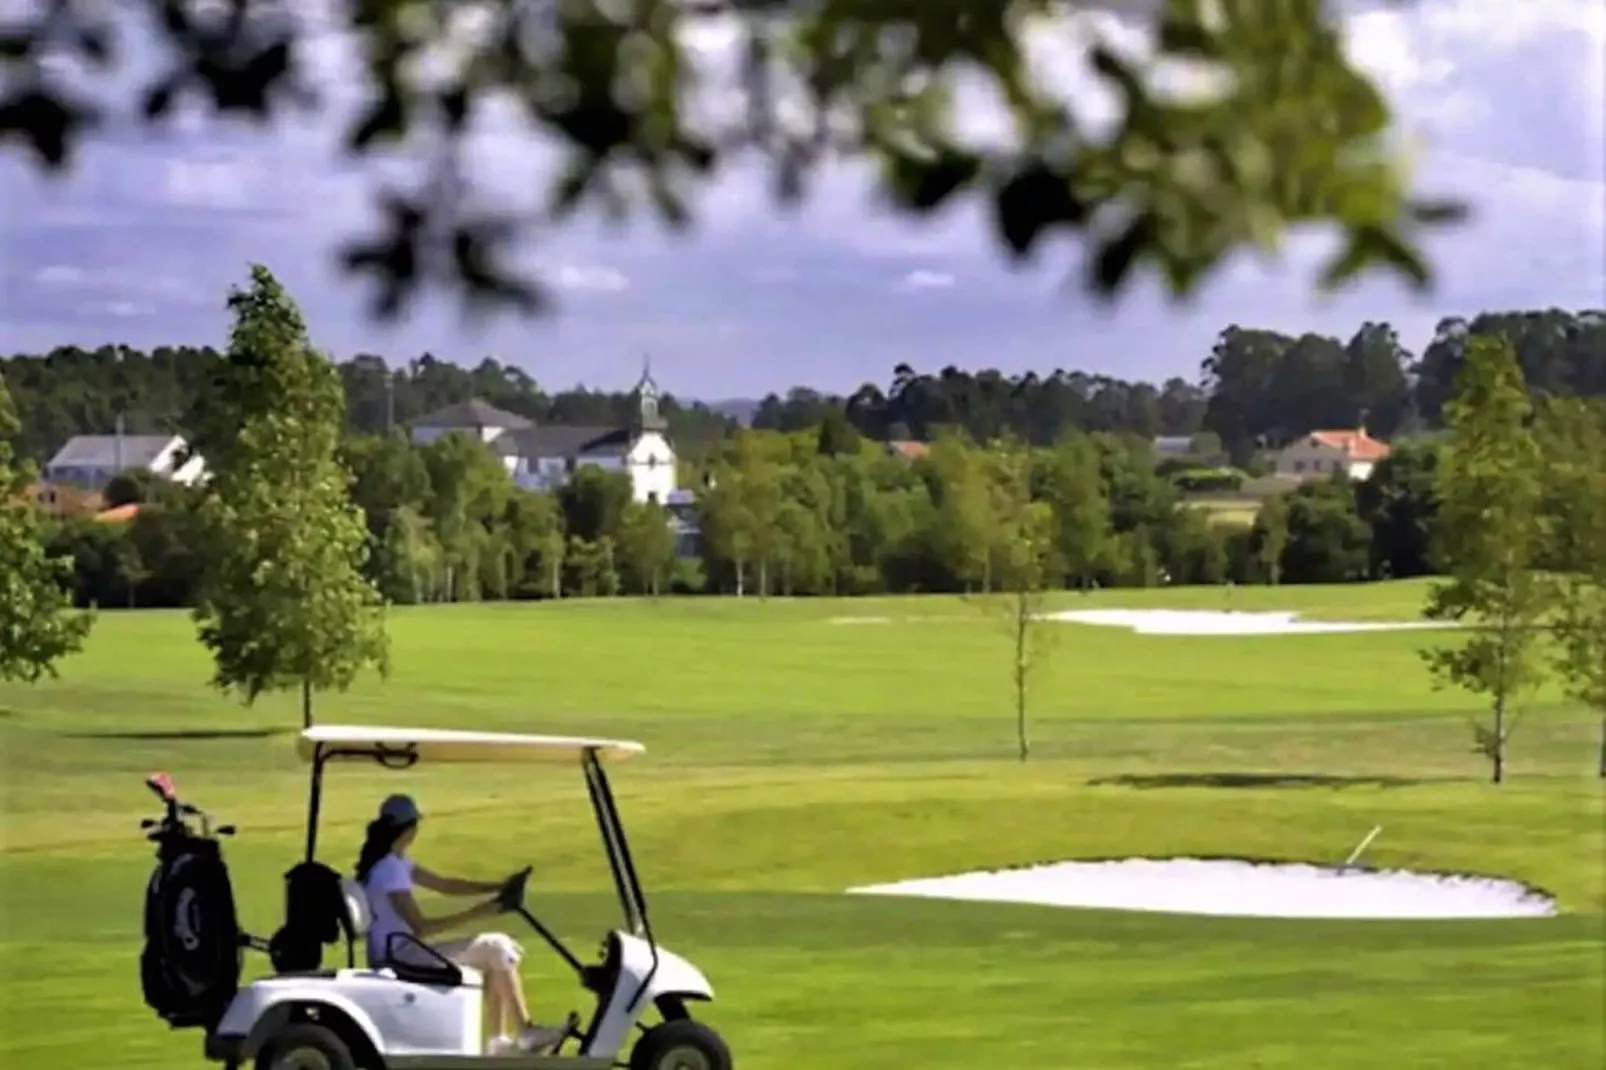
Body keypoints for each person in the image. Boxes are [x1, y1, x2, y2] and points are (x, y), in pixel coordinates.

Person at [354, 794, 568, 1054]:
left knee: (495, 951)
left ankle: (498, 1042)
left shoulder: (395, 862)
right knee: (496, 946)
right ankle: (524, 1032)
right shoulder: (390, 870)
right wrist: (481, 912)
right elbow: (422, 927)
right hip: (400, 955)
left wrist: (498, 887)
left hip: (402, 949)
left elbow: (445, 885)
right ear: (409, 829)